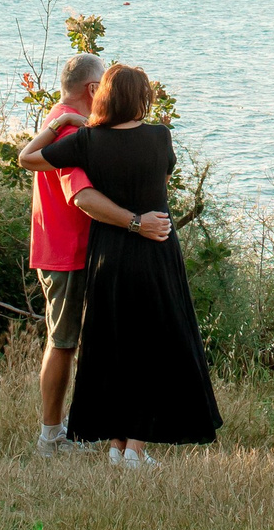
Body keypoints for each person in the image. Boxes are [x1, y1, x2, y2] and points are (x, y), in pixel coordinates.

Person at [16, 61, 220, 465]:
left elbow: (28, 158)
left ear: (103, 94)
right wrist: (138, 218)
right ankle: (134, 448)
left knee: (110, 347)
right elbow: (157, 184)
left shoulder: (87, 139)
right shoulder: (160, 138)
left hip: (105, 253)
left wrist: (63, 125)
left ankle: (113, 444)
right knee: (149, 345)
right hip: (153, 245)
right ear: (141, 99)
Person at [16, 51, 102, 454]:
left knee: (67, 340)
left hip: (59, 247)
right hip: (68, 252)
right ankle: (51, 435)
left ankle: (63, 430)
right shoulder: (68, 132)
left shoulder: (59, 117)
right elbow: (82, 196)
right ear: (93, 88)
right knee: (64, 342)